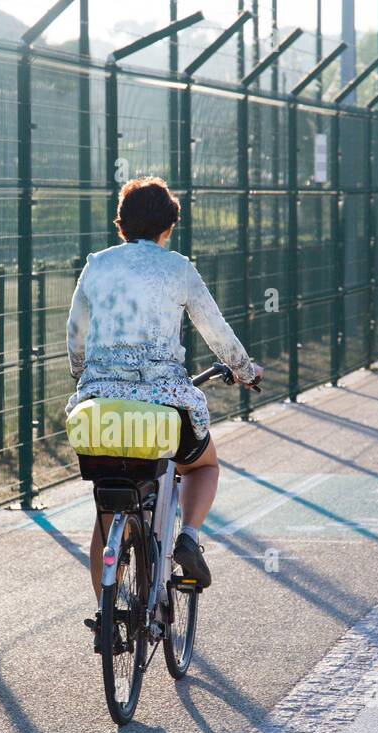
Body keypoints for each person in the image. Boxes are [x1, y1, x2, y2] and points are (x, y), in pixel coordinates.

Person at [66, 177, 261, 593]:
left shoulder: (96, 265)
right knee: (203, 464)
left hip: (100, 405)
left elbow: (75, 334)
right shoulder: (178, 269)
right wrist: (244, 370)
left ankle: (108, 616)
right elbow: (216, 331)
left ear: (121, 225)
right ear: (168, 227)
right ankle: (188, 537)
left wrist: (84, 376)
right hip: (161, 405)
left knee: (106, 510)